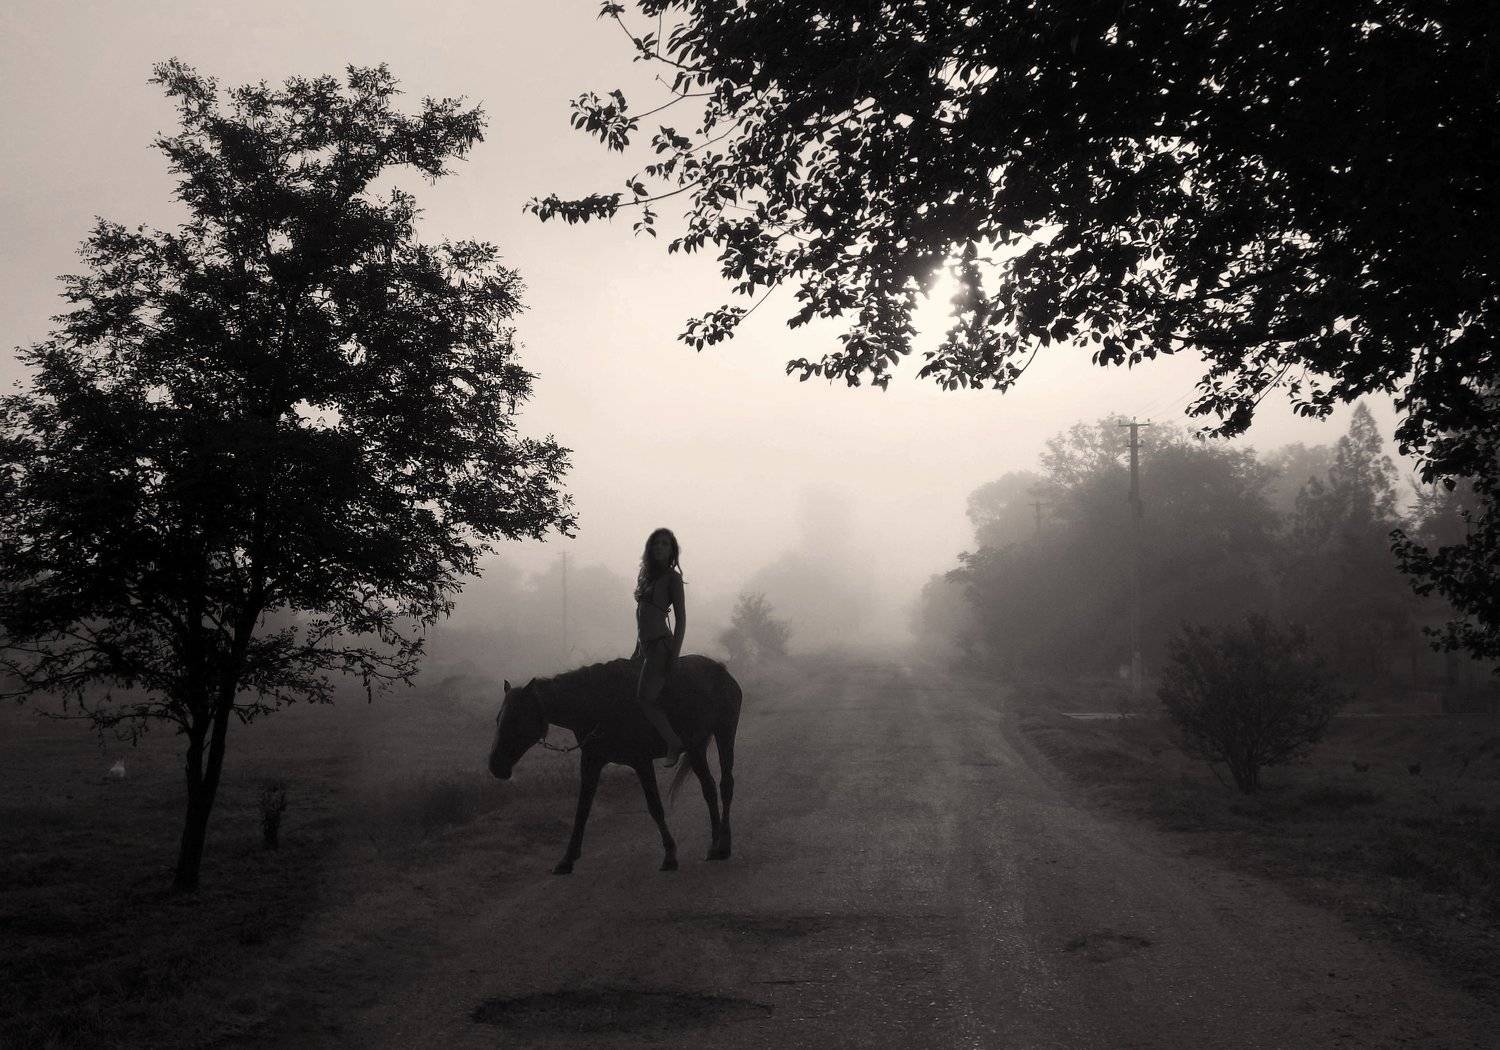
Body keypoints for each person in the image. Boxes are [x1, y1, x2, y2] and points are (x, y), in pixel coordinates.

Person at [633, 527, 686, 768]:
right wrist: (637, 648)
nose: (660, 547)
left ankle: (673, 742)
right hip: (645, 647)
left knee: (645, 699)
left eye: (665, 544)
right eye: (656, 543)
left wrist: (674, 655)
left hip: (661, 647)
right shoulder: (646, 577)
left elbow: (681, 619)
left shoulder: (672, 579)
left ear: (672, 550)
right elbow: (641, 616)